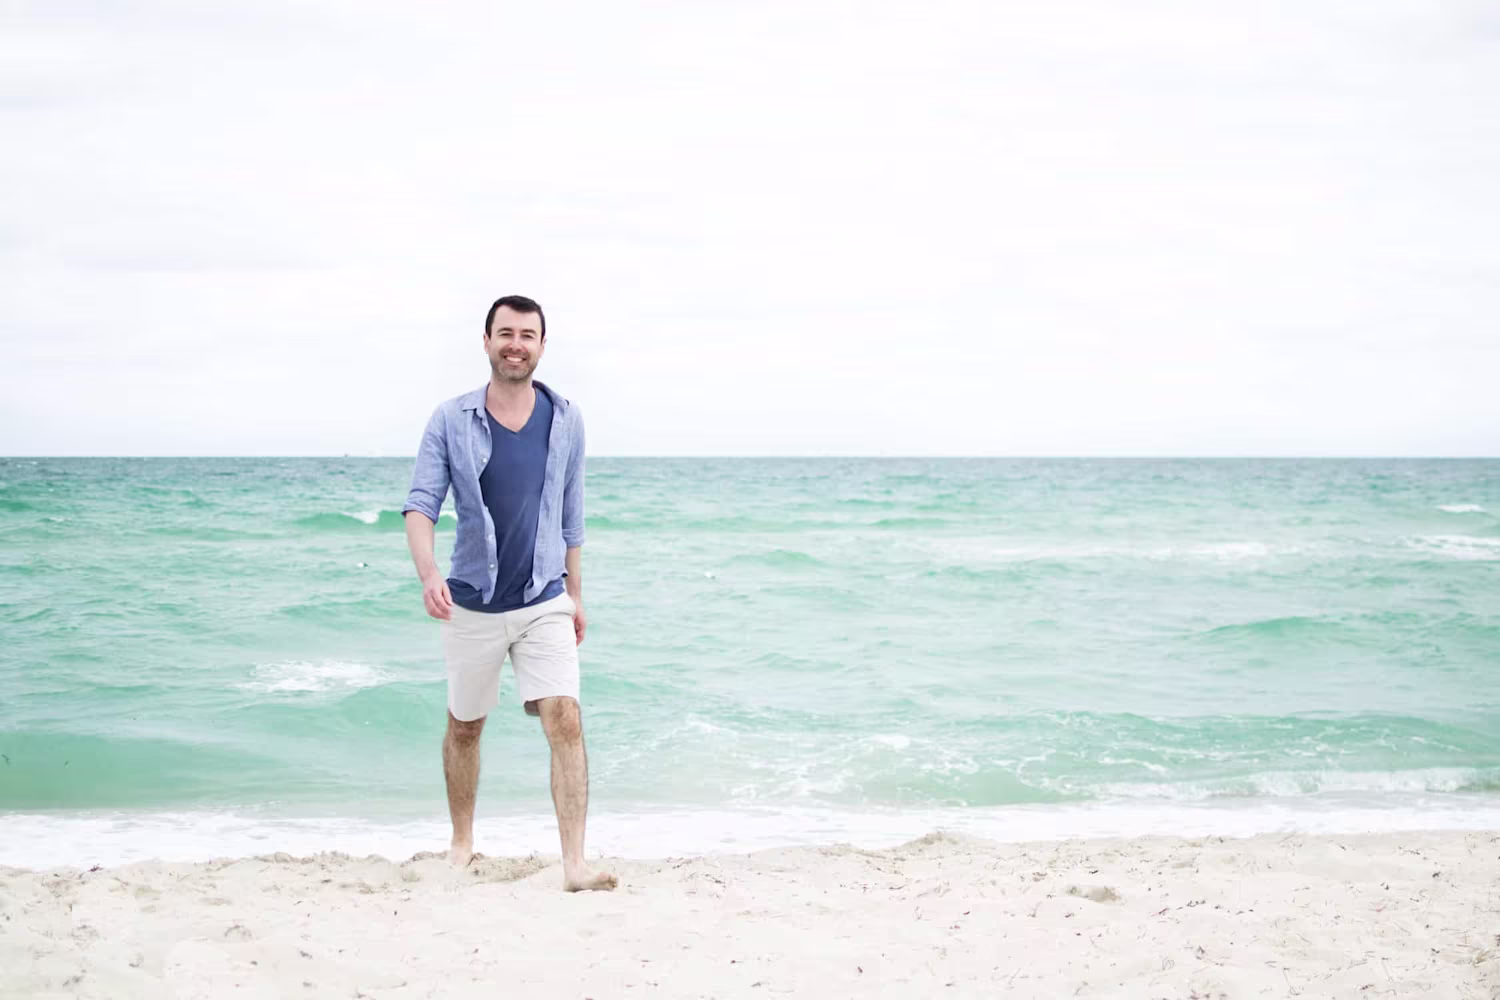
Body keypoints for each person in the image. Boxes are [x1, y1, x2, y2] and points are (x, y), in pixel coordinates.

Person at [401, 294, 616, 892]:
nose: (515, 344)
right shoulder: (451, 419)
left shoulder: (566, 419)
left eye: (527, 335)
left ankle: (574, 864)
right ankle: (462, 842)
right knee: (465, 727)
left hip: (544, 597)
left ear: (542, 346)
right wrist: (429, 574)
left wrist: (576, 594)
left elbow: (572, 513)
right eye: (505, 333)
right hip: (472, 599)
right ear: (487, 341)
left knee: (565, 718)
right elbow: (421, 505)